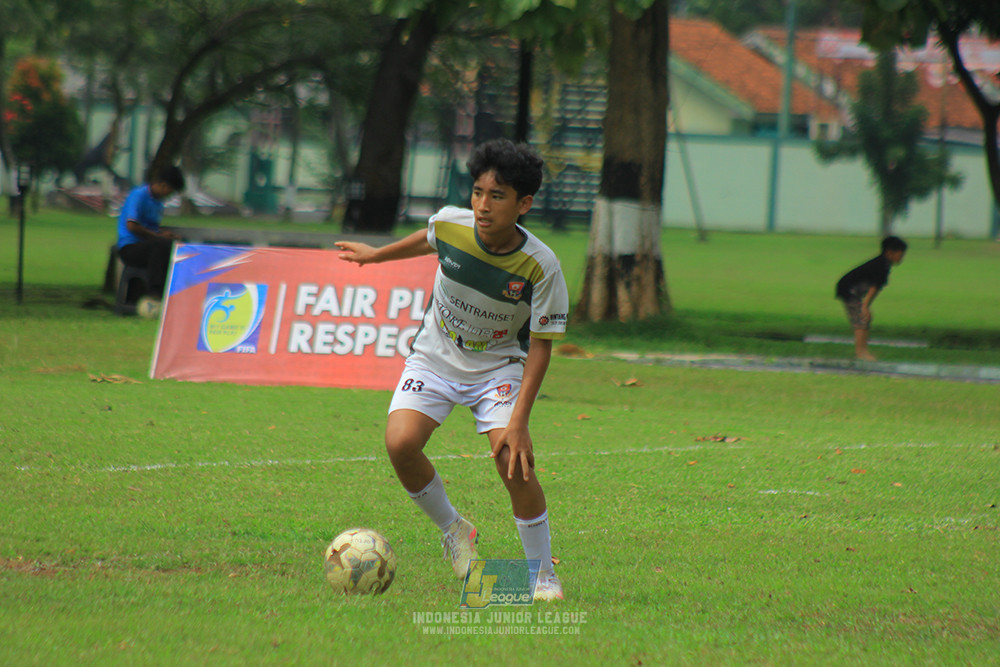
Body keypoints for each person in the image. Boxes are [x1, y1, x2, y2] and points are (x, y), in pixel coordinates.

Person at [335, 139, 569, 601]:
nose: (483, 206)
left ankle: (542, 575)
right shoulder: (450, 223)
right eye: (478, 192)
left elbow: (542, 348)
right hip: (435, 355)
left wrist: (519, 422)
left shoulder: (541, 266)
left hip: (498, 366)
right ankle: (455, 529)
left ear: (523, 204)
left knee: (513, 464)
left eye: (497, 196)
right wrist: (375, 255)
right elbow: (427, 239)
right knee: (400, 443)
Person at [116, 165, 186, 301]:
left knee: (171, 247)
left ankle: (173, 293)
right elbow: (132, 225)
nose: (169, 196)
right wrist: (159, 236)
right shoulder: (138, 195)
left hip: (148, 245)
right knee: (160, 246)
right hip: (130, 247)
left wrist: (165, 235)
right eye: (170, 192)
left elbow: (151, 228)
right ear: (164, 185)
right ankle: (155, 293)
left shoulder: (157, 202)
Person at [835, 235, 908, 361]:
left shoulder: (883, 264)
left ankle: (863, 351)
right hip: (849, 290)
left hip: (854, 290)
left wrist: (866, 306)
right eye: (900, 255)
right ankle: (860, 353)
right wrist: (865, 306)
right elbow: (874, 288)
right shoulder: (881, 266)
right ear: (889, 253)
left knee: (864, 319)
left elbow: (875, 288)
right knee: (861, 319)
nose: (901, 258)